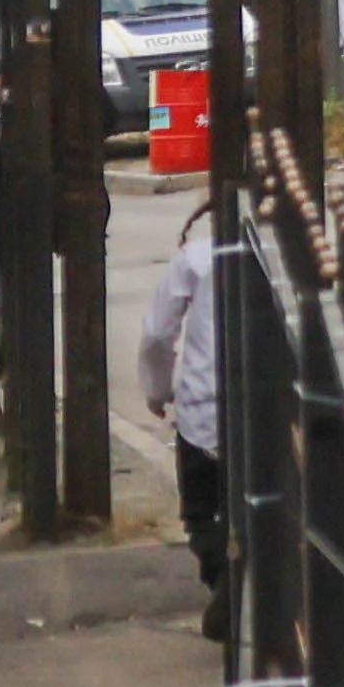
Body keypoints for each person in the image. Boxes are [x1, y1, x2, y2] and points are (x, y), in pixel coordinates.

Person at [140, 203, 240, 605]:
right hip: (271, 414)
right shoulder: (287, 252)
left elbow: (157, 334)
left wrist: (157, 390)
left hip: (204, 411)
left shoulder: (197, 257)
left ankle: (223, 581)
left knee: (202, 515)